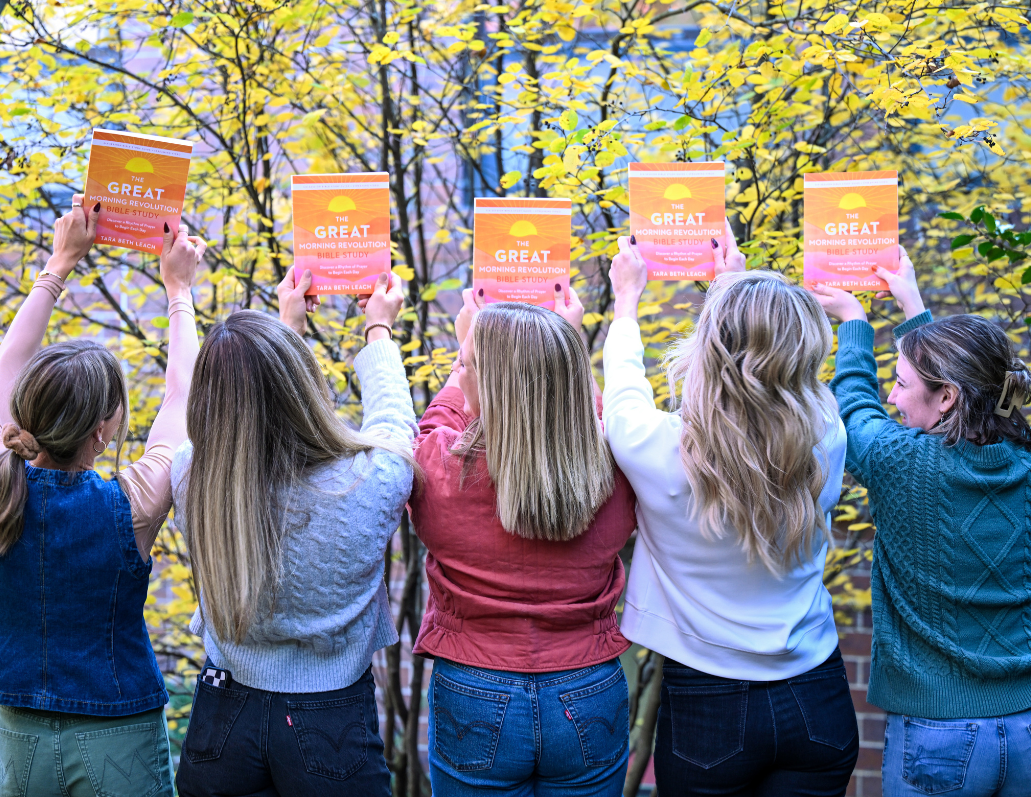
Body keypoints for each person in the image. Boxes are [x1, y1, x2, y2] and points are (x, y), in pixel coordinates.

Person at [604, 230, 859, 797]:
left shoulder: (660, 449)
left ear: (709, 347)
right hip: (816, 699)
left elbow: (624, 394)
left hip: (708, 707)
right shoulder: (827, 438)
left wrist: (626, 300)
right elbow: (774, 383)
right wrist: (733, 289)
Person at [172, 269, 417, 797]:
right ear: (303, 383)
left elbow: (252, 425)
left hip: (223, 710)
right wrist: (378, 328)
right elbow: (395, 423)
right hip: (329, 720)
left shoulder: (193, 475)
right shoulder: (366, 482)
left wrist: (287, 328)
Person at [0, 200, 204, 796]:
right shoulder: (133, 503)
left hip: (18, 731)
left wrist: (59, 263)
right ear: (104, 430)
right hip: (117, 729)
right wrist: (178, 291)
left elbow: (6, 369)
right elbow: (182, 399)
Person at [813, 250, 1031, 797]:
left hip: (938, 738)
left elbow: (856, 410)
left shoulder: (903, 465)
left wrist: (855, 325)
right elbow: (938, 394)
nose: (891, 393)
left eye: (901, 382)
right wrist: (911, 303)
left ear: (948, 397)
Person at [408, 285, 638, 796]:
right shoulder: (614, 469)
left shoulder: (443, 468)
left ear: (490, 387)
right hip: (587, 686)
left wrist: (463, 361)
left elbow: (431, 430)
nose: (459, 371)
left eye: (465, 364)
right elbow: (591, 418)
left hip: (475, 685)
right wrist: (566, 346)